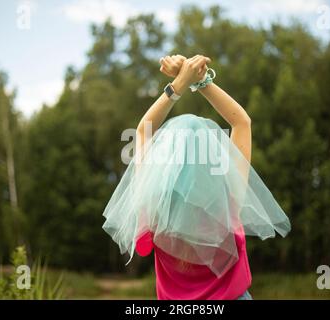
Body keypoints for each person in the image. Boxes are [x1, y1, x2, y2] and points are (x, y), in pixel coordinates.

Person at [102, 54, 291, 300]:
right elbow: (242, 123)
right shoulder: (229, 198)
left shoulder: (154, 211)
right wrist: (200, 80)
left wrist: (179, 84)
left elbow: (143, 130)